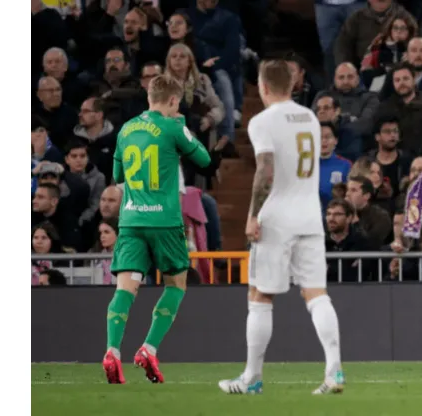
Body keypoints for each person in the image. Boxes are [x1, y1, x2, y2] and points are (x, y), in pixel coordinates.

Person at [218, 60, 344, 395]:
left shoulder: (262, 121)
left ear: (262, 86)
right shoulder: (311, 118)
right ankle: (334, 372)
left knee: (260, 295)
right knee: (317, 294)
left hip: (277, 217)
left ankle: (252, 378)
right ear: (292, 84)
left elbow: (266, 171)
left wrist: (252, 214)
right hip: (309, 216)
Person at [102, 74, 212, 384]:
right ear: (174, 101)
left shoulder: (125, 129)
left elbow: (116, 175)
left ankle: (112, 350)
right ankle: (148, 348)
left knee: (125, 289)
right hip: (164, 222)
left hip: (132, 221)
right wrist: (181, 129)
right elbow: (203, 159)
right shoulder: (173, 126)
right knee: (176, 285)